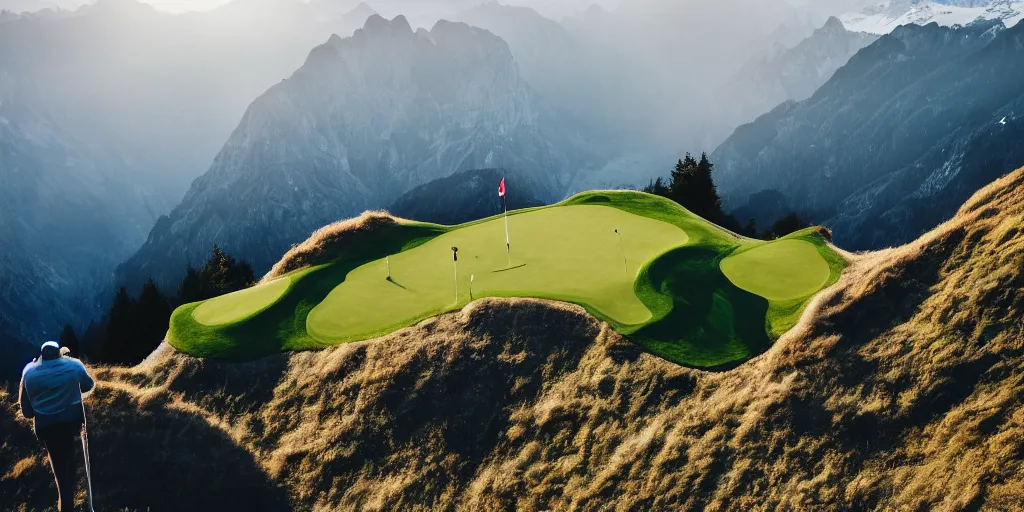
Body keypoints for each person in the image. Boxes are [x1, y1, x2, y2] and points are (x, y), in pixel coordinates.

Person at [19, 341, 96, 512]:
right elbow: (89, 385)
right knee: (69, 463)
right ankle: (72, 499)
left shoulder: (29, 372)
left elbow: (27, 411)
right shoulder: (74, 365)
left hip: (47, 428)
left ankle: (67, 502)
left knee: (60, 469)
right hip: (72, 423)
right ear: (59, 354)